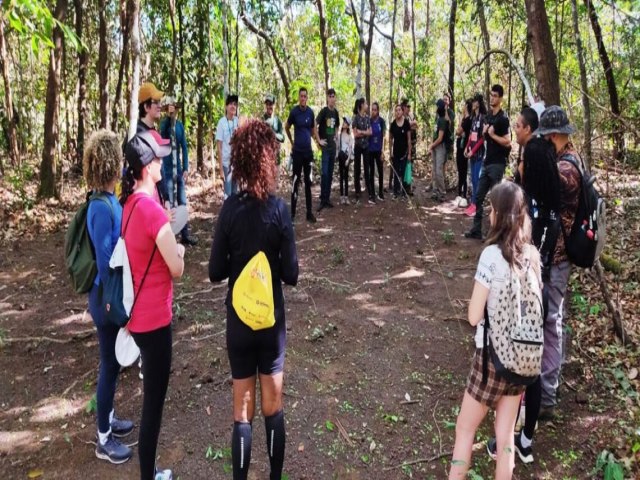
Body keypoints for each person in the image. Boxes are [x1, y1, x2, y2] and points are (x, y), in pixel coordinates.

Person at [209, 119, 299, 480]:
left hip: (239, 324)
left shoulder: (229, 210)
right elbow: (291, 274)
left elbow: (216, 271)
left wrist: (238, 259)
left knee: (241, 412)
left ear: (240, 161)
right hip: (271, 324)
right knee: (272, 409)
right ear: (268, 160)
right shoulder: (279, 211)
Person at [449, 180, 542, 480]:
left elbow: (474, 316)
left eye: (491, 208)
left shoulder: (491, 256)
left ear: (500, 215)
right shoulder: (533, 256)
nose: (488, 214)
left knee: (465, 429)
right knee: (505, 440)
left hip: (491, 361)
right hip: (522, 360)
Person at [486, 134, 562, 465]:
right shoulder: (545, 208)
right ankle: (522, 440)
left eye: (525, 163)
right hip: (535, 300)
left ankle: (513, 438)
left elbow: (520, 255)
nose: (521, 165)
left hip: (523, 303)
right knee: (528, 366)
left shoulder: (534, 212)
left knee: (518, 371)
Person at [122, 131, 186, 480]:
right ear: (146, 167)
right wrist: (180, 249)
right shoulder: (151, 210)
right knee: (153, 406)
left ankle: (151, 471)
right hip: (154, 320)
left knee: (152, 401)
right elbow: (176, 267)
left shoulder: (130, 204)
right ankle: (149, 475)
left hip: (138, 318)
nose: (162, 162)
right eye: (158, 158)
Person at [84, 130, 133, 465]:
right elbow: (105, 261)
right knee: (109, 364)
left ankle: (110, 416)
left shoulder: (110, 199)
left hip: (112, 293)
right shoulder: (101, 207)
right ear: (111, 163)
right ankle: (103, 439)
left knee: (113, 365)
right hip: (107, 296)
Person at [533, 106, 581, 420]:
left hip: (560, 257)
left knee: (551, 321)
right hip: (554, 254)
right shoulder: (567, 160)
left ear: (553, 137)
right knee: (552, 318)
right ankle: (547, 383)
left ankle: (547, 395)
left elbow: (546, 181)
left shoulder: (568, 169)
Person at [465, 85, 511, 239]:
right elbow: (485, 138)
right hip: (486, 162)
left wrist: (492, 135)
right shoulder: (488, 116)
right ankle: (476, 230)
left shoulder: (503, 119)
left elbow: (508, 142)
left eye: (496, 95)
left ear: (501, 98)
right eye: (491, 95)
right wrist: (485, 134)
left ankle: (494, 233)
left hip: (498, 164)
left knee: (495, 200)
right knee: (478, 196)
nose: (492, 98)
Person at [159, 96, 197, 246]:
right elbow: (163, 135)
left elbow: (184, 148)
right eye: (170, 108)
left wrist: (186, 167)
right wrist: (169, 119)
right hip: (167, 170)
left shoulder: (180, 126)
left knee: (182, 201)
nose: (173, 111)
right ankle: (170, 236)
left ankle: (185, 234)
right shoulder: (164, 125)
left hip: (179, 171)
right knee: (170, 204)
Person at [285, 87, 323, 223]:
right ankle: (292, 214)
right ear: (298, 97)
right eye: (301, 96)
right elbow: (286, 127)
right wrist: (291, 142)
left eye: (305, 96)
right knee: (295, 182)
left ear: (307, 98)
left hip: (308, 153)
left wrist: (318, 142)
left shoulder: (310, 113)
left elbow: (313, 130)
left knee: (308, 182)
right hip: (297, 153)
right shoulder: (294, 112)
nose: (303, 98)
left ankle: (309, 213)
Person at [316, 88, 340, 211]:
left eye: (333, 96)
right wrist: (319, 140)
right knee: (324, 173)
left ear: (335, 98)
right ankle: (322, 199)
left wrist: (336, 137)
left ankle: (327, 198)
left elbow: (337, 126)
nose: (332, 98)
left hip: (333, 147)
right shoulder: (324, 111)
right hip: (325, 148)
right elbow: (315, 124)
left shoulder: (335, 112)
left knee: (330, 174)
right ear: (327, 98)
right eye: (330, 96)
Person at [464, 93, 488, 217]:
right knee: (473, 179)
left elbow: (482, 138)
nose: (473, 104)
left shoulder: (483, 118)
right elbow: (470, 135)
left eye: (474, 101)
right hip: (471, 154)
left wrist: (473, 151)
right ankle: (473, 203)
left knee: (477, 180)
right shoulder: (473, 118)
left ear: (479, 103)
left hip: (478, 155)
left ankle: (476, 204)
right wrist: (467, 147)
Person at [216, 94, 240, 199]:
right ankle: (227, 215)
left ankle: (235, 215)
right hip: (226, 164)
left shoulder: (237, 121)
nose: (233, 106)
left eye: (235, 104)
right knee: (228, 194)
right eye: (230, 104)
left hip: (236, 163)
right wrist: (220, 168)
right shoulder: (221, 123)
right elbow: (219, 146)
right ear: (226, 106)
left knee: (235, 193)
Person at [388, 104, 412, 199]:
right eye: (396, 110)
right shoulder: (393, 124)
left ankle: (404, 192)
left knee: (404, 172)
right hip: (396, 153)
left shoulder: (406, 123)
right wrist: (390, 152)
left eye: (399, 110)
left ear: (402, 111)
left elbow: (409, 139)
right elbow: (390, 139)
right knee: (396, 173)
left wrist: (409, 153)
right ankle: (396, 192)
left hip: (405, 152)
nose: (397, 112)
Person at [352, 97, 373, 203]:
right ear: (361, 105)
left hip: (366, 146)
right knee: (357, 168)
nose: (367, 105)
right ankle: (357, 190)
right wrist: (364, 132)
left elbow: (370, 132)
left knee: (366, 168)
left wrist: (362, 132)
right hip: (358, 146)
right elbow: (355, 134)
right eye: (365, 103)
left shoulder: (368, 118)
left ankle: (369, 189)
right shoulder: (355, 118)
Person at [428, 99, 449, 202]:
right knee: (435, 169)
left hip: (440, 147)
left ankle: (442, 192)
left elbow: (440, 138)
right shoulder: (437, 119)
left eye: (437, 107)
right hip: (436, 147)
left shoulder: (443, 120)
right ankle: (435, 191)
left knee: (439, 170)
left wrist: (432, 145)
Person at [455, 99, 472, 206]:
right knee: (461, 170)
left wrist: (460, 123)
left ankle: (464, 194)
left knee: (463, 170)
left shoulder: (467, 120)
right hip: (460, 147)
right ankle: (460, 193)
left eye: (464, 105)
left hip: (464, 148)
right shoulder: (465, 119)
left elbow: (458, 131)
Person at [369, 102, 386, 201]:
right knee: (371, 172)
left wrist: (383, 151)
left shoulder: (381, 121)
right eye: (372, 109)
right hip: (370, 150)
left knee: (380, 172)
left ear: (378, 111)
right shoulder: (369, 121)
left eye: (375, 110)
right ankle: (372, 193)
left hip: (379, 150)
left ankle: (380, 192)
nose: (373, 111)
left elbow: (384, 137)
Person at [401, 100, 418, 195]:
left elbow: (416, 126)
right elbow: (405, 127)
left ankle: (409, 186)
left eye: (409, 107)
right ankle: (404, 187)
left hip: (412, 145)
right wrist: (411, 125)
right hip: (405, 145)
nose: (409, 108)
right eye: (407, 106)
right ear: (403, 107)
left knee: (410, 166)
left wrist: (412, 124)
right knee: (404, 165)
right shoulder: (402, 117)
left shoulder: (411, 117)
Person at [337, 116, 354, 205]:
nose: (344, 124)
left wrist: (348, 159)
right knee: (341, 176)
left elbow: (350, 148)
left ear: (348, 125)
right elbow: (338, 147)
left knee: (346, 177)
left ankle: (346, 196)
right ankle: (341, 196)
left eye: (346, 122)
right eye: (343, 122)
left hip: (346, 157)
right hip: (340, 156)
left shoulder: (349, 136)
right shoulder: (339, 135)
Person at [263, 93, 285, 159]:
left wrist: (273, 133)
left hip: (275, 156)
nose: (269, 106)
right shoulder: (262, 119)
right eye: (267, 104)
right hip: (264, 156)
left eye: (271, 104)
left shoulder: (278, 121)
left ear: (274, 105)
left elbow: (282, 138)